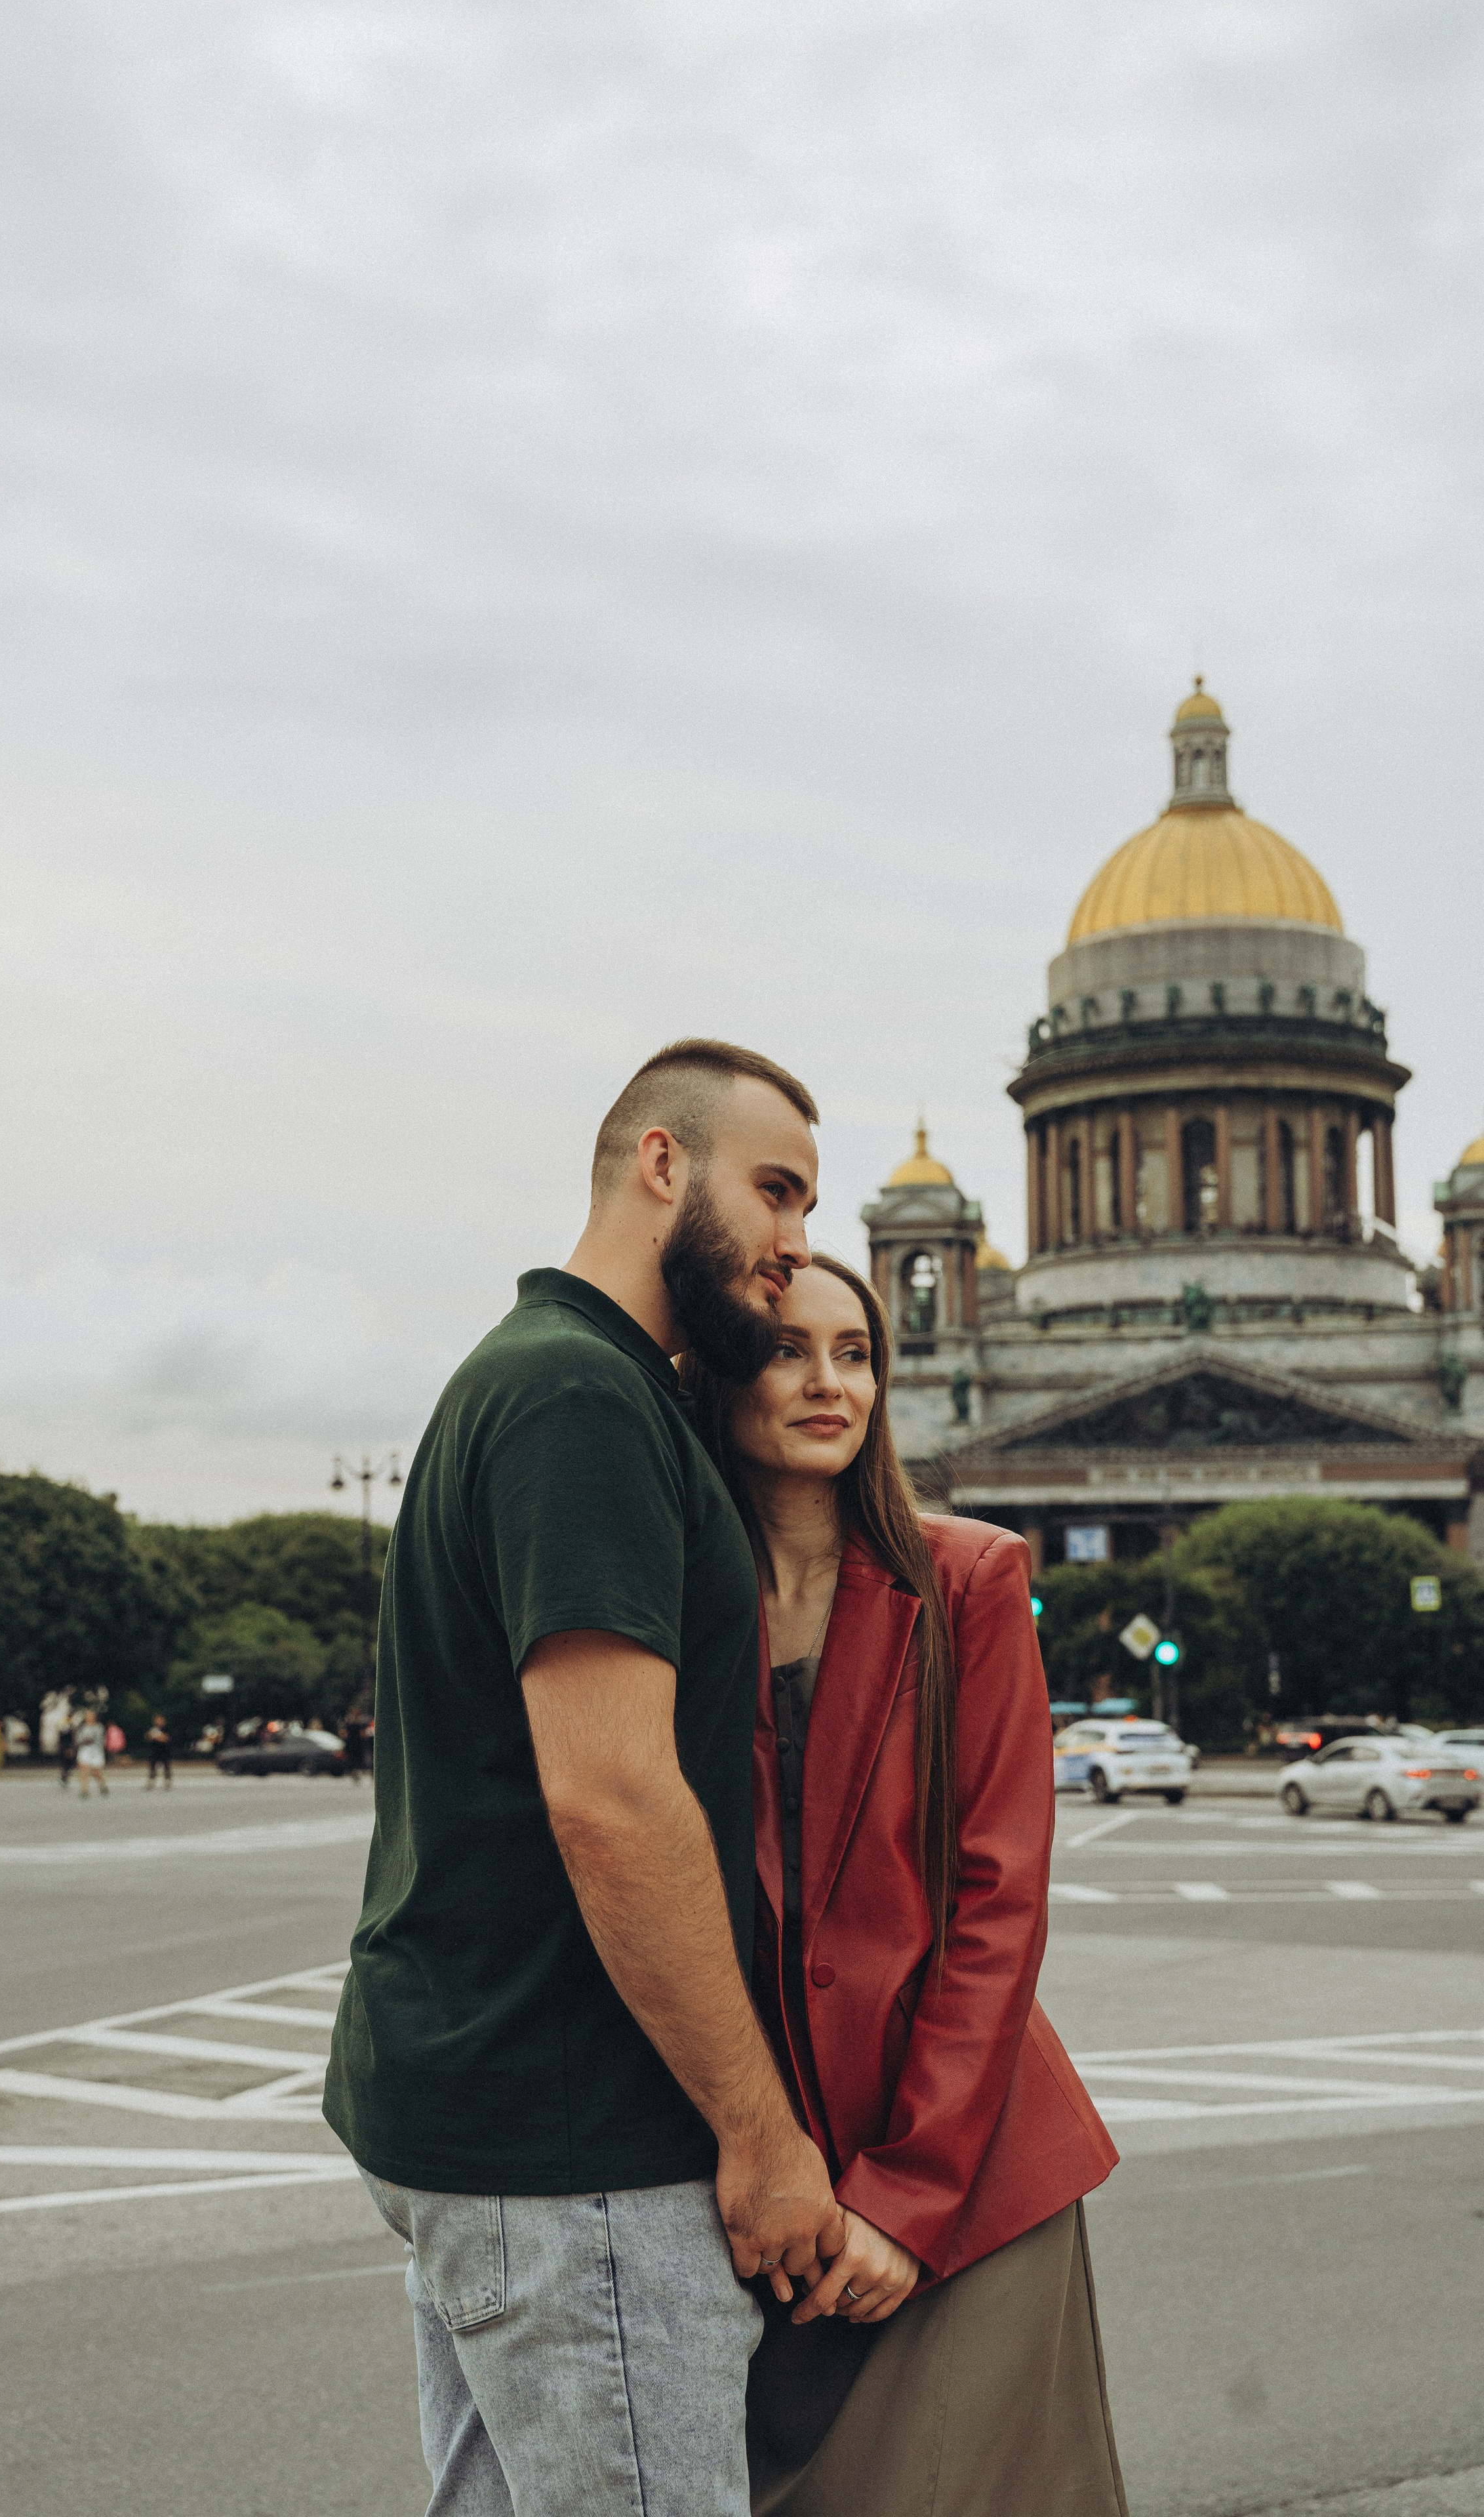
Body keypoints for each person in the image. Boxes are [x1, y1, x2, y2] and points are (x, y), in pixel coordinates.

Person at [325, 1040, 845, 2517]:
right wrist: (760, 2135)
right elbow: (611, 1800)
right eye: (776, 1190)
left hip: (502, 2128)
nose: (796, 1242)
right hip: (581, 2152)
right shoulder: (580, 1399)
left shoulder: (570, 1381)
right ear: (661, 1165)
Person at [681, 1253, 1125, 2516]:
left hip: (965, 2175)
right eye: (786, 1351)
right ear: (715, 1377)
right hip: (769, 2187)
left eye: (857, 1354)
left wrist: (912, 2194)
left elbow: (998, 1902)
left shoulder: (967, 1576)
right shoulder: (673, 1597)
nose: (831, 1383)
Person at [73, 1713, 109, 1797]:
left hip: (96, 1751)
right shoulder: (82, 1727)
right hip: (85, 1750)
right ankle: (85, 1790)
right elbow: (77, 1739)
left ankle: (102, 1785)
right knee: (83, 1770)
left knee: (96, 1772)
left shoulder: (99, 1727)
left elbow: (101, 1740)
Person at [339, 1702, 371, 1785]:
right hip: (354, 1744)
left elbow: (344, 1734)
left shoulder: (354, 1724)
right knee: (354, 1761)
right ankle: (355, 1774)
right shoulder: (356, 1724)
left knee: (355, 1761)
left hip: (355, 1745)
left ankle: (356, 1774)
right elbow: (362, 1734)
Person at [144, 1715, 174, 1790]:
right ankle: (151, 1782)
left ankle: (167, 1782)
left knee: (166, 1767)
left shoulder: (167, 1729)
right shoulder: (153, 1729)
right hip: (154, 1751)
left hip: (164, 1751)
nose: (158, 1722)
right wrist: (157, 1737)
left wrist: (156, 1737)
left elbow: (166, 1738)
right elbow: (148, 1736)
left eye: (160, 1720)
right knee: (152, 1767)